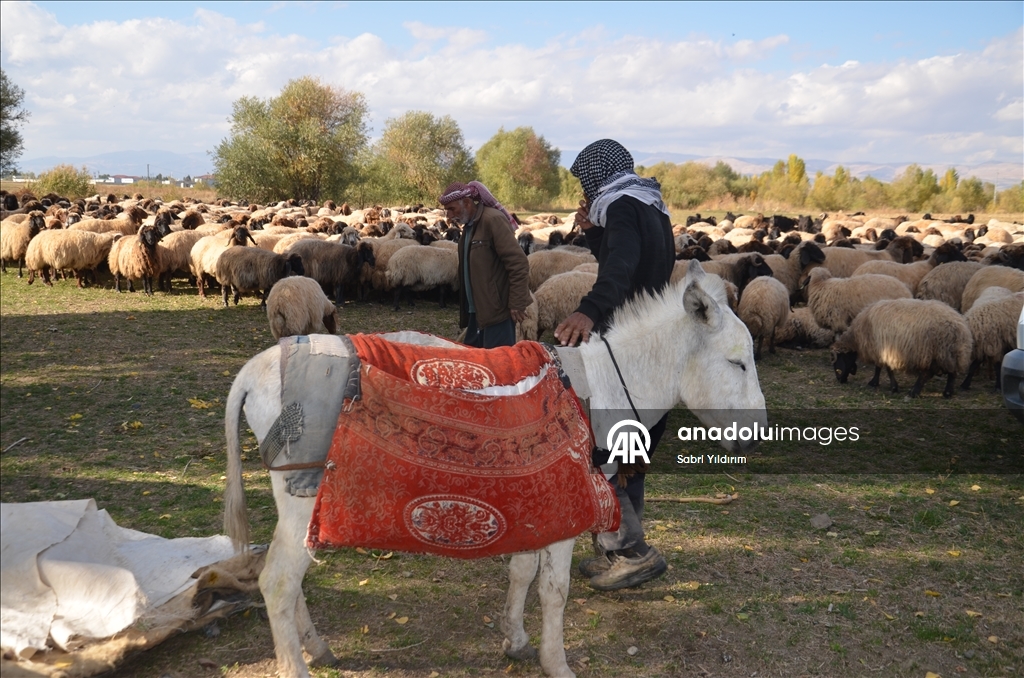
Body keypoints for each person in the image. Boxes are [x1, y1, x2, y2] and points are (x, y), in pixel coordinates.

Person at [554, 139, 675, 591]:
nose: (584, 189)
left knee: (602, 450)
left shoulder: (622, 205)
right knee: (630, 451)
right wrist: (593, 232)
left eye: (585, 179)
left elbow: (620, 268)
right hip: (651, 343)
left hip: (625, 345)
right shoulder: (650, 204)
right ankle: (617, 550)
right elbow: (633, 261)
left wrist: (588, 311)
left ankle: (631, 553)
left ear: (598, 174)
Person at [439, 181, 531, 349]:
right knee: (474, 359)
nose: (449, 216)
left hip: (496, 312)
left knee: (497, 361)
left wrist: (517, 302)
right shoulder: (469, 227)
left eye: (452, 209)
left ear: (467, 203)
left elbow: (518, 263)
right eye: (447, 210)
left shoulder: (492, 220)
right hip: (477, 311)